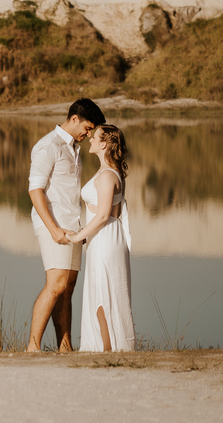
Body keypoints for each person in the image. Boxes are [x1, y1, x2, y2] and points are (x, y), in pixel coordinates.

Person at [25, 98, 105, 352]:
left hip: (73, 227)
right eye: (87, 127)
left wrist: (79, 230)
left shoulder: (73, 148)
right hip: (53, 225)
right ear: (74, 119)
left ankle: (65, 347)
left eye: (91, 130)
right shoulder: (47, 145)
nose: (89, 133)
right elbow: (35, 190)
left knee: (68, 287)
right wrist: (53, 229)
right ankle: (32, 348)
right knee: (56, 283)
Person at [67, 125, 135, 351]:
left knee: (104, 292)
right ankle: (106, 348)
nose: (90, 140)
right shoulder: (107, 171)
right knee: (101, 290)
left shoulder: (107, 175)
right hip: (103, 238)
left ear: (104, 144)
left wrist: (78, 237)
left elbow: (104, 214)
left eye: (94, 138)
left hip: (106, 239)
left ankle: (108, 349)